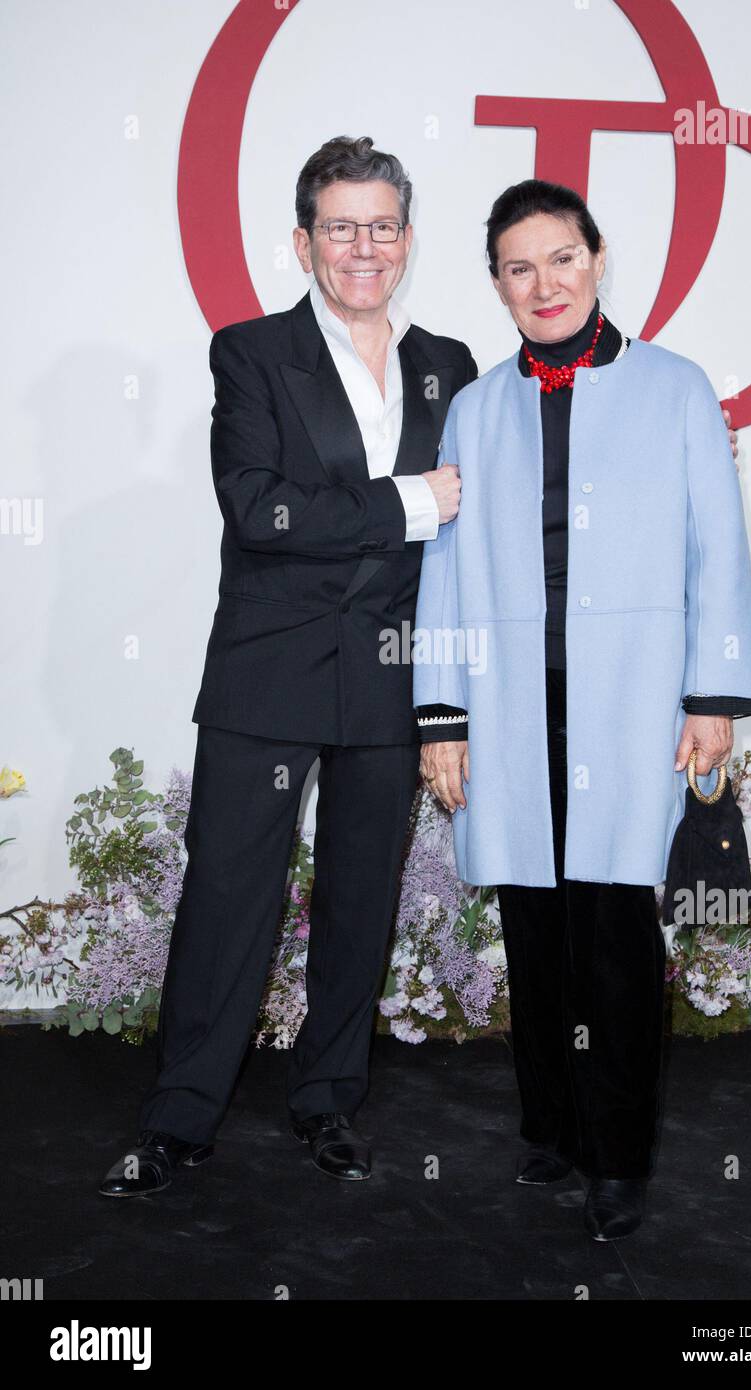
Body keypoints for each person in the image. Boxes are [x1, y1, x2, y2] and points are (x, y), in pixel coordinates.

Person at [99, 135, 471, 1196]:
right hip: (269, 666)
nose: (365, 247)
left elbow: (486, 522)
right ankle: (180, 1119)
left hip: (392, 671)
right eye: (343, 226)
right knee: (228, 895)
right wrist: (410, 503)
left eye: (384, 225)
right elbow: (260, 513)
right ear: (304, 240)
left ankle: (329, 1102)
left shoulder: (450, 364)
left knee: (363, 898)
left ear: (407, 237)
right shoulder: (251, 352)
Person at [413, 179, 751, 1241]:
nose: (544, 282)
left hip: (635, 697)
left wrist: (713, 697)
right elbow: (448, 573)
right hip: (514, 702)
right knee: (534, 927)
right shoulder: (476, 407)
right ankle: (550, 1130)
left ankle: (618, 1154)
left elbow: (718, 550)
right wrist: (442, 713)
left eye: (561, 257)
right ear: (498, 286)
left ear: (599, 259)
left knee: (615, 930)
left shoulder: (675, 388)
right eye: (519, 267)